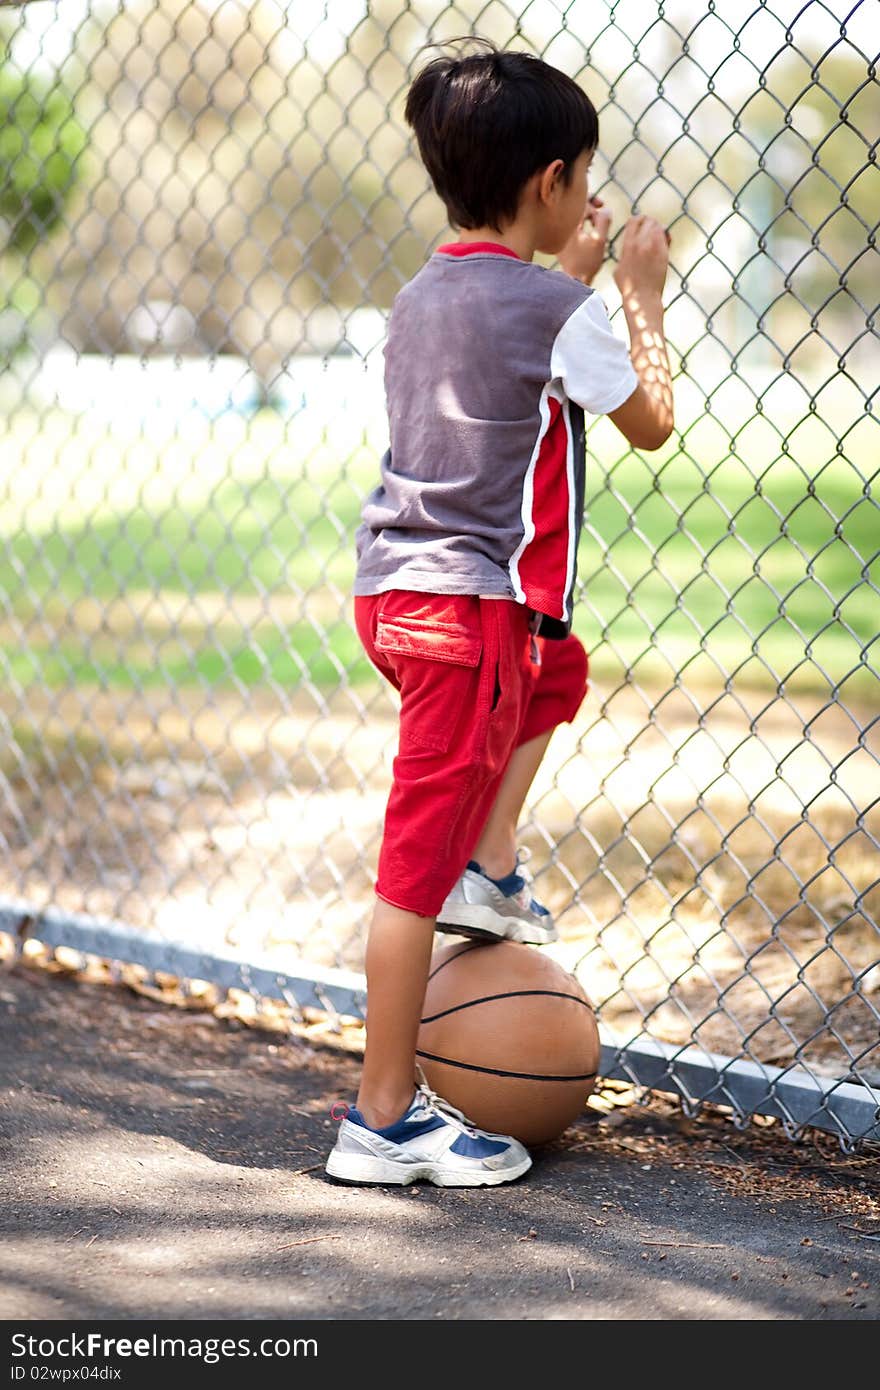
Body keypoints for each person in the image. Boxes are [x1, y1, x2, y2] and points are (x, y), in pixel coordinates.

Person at [326, 40, 673, 1187]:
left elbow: (509, 334)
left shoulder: (424, 291)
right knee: (406, 877)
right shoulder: (563, 312)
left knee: (558, 673)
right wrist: (637, 296)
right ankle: (381, 1117)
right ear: (554, 183)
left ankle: (490, 852)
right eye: (586, 178)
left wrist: (564, 283)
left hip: (399, 598)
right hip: (467, 614)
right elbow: (649, 420)